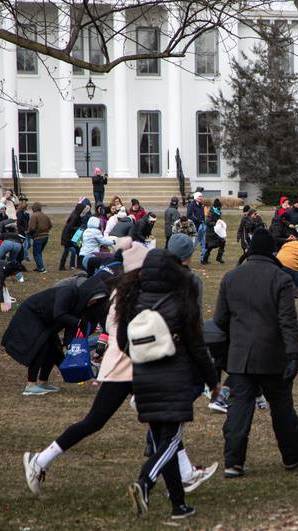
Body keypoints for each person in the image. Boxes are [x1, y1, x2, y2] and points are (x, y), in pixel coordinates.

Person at [23, 245, 214, 497]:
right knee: (99, 421)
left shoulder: (128, 291)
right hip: (126, 366)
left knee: (161, 423)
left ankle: (182, 476)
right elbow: (127, 333)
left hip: (132, 365)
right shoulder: (132, 294)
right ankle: (40, 460)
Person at [114, 250, 217, 519]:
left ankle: (178, 506)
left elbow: (122, 342)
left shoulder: (132, 299)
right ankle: (145, 481)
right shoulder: (182, 299)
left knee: (162, 442)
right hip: (175, 376)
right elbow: (197, 345)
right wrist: (212, 380)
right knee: (171, 441)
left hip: (144, 377)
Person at [214, 228, 298, 478]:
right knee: (282, 407)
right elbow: (287, 322)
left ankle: (233, 461)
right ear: (272, 250)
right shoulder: (280, 278)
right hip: (272, 355)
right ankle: (292, 454)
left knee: (239, 409)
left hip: (240, 356)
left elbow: (219, 320)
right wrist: (293, 355)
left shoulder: (231, 277)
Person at [59, 203, 89, 270]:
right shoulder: (75, 217)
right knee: (66, 251)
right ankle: (61, 266)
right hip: (68, 236)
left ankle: (79, 264)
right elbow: (70, 227)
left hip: (73, 235)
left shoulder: (77, 215)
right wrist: (79, 228)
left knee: (78, 249)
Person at [187, 192, 207, 262]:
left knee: (203, 243)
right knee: (194, 244)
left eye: (201, 196)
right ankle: (186, 257)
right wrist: (197, 220)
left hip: (203, 226)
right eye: (199, 196)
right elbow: (189, 215)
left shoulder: (202, 205)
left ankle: (203, 259)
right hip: (196, 227)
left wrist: (204, 221)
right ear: (195, 197)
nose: (201, 198)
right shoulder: (191, 205)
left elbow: (204, 215)